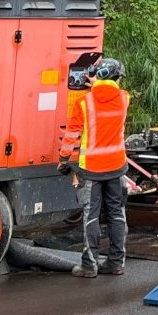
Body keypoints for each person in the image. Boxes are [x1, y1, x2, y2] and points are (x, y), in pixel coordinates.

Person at [61, 56, 131, 277]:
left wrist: (64, 159)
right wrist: (100, 83)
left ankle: (89, 265)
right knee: (116, 215)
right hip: (117, 167)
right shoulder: (124, 99)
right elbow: (113, 91)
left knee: (91, 216)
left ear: (97, 75)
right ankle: (116, 263)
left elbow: (72, 134)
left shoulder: (84, 103)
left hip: (91, 169)